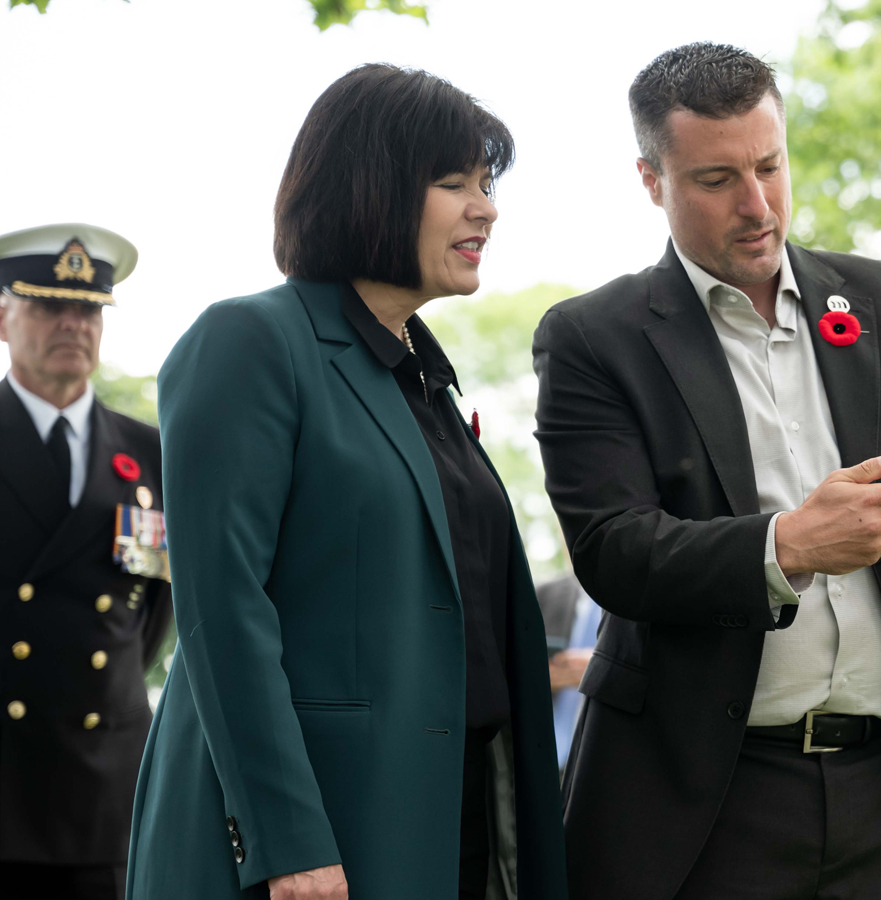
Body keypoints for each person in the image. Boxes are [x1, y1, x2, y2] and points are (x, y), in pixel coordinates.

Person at [532, 43, 881, 900]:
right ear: (652, 179)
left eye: (770, 164)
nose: (758, 205)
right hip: (699, 803)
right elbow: (613, 551)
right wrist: (788, 545)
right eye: (717, 179)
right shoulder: (591, 338)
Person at [125, 65, 567, 900]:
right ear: (371, 189)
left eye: (486, 184)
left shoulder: (424, 377)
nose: (487, 208)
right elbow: (223, 612)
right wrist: (286, 840)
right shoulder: (251, 341)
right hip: (314, 838)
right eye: (454, 182)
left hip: (453, 817)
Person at [0, 223, 174, 900]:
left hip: (106, 792)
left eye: (88, 310)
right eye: (49, 306)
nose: (73, 323)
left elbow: (151, 615)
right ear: (6, 318)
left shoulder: (149, 453)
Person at [534, 572, 601, 770]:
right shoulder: (542, 593)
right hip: (545, 758)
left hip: (610, 762)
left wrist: (603, 669)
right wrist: (535, 678)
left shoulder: (650, 598)